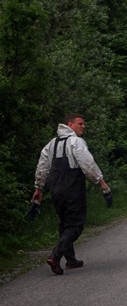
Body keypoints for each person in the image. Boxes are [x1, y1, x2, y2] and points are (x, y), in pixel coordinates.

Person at [31, 114, 112, 275]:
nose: (83, 126)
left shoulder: (51, 144)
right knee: (75, 225)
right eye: (80, 123)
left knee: (64, 223)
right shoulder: (76, 142)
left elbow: (42, 168)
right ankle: (55, 256)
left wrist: (38, 189)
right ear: (70, 124)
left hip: (55, 189)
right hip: (72, 188)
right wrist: (102, 183)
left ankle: (71, 259)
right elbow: (88, 164)